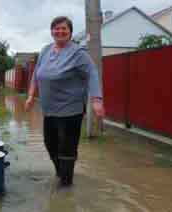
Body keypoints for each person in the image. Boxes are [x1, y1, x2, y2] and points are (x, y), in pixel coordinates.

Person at [24, 16, 105, 186]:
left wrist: (96, 99)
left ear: (70, 32)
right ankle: (61, 173)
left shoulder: (78, 53)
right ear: (52, 31)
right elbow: (36, 75)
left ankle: (66, 185)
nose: (60, 31)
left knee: (66, 147)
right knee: (50, 143)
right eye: (56, 28)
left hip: (71, 109)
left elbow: (92, 73)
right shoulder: (45, 51)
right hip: (49, 109)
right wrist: (31, 95)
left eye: (64, 29)